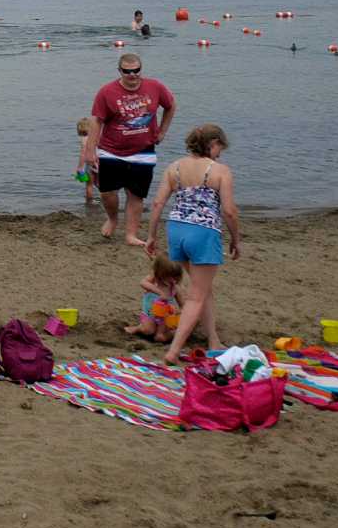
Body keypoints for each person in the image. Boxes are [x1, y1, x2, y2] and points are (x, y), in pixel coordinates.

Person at [141, 123, 239, 365]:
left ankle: (213, 340)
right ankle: (174, 351)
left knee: (203, 289)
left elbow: (157, 204)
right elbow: (229, 211)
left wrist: (151, 236)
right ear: (213, 144)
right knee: (196, 295)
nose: (220, 153)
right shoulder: (220, 171)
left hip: (177, 231)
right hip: (203, 233)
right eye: (219, 148)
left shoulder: (174, 168)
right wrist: (236, 239)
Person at [85, 53, 175, 245]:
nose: (133, 75)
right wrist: (90, 151)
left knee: (136, 194)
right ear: (120, 71)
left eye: (136, 70)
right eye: (128, 71)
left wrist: (162, 131)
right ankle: (112, 219)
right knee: (107, 192)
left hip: (143, 151)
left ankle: (130, 235)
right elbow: (96, 121)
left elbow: (170, 105)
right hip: (110, 150)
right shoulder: (106, 92)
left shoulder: (155, 86)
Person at [124, 254, 187, 343]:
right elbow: (142, 283)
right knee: (148, 330)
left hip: (166, 320)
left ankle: (171, 335)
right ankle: (138, 328)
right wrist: (160, 292)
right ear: (160, 273)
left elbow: (183, 306)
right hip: (150, 316)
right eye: (170, 276)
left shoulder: (174, 287)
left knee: (160, 338)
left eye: (175, 276)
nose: (173, 280)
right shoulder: (153, 281)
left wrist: (178, 311)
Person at [74, 117, 99, 205]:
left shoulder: (84, 139)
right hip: (99, 163)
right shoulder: (96, 137)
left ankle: (89, 202)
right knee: (100, 185)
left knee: (89, 185)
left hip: (90, 164)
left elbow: (83, 154)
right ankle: (106, 201)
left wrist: (80, 167)